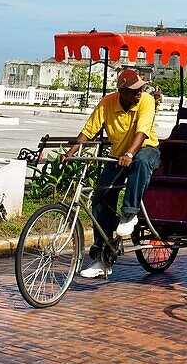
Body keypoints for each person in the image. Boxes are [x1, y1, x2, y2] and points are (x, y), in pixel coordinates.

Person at [64, 68, 160, 278]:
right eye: (133, 90)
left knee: (141, 161)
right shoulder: (108, 103)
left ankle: (129, 213)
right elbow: (89, 130)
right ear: (121, 91)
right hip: (118, 157)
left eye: (140, 88)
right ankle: (102, 256)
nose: (138, 92)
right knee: (100, 197)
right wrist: (70, 153)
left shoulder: (146, 101)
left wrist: (129, 153)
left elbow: (142, 132)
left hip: (146, 150)